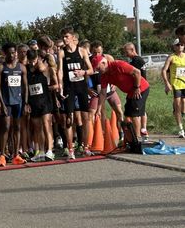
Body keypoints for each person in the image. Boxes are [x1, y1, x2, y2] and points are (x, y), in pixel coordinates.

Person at [92, 55, 150, 143]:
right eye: (96, 69)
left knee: (134, 114)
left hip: (141, 88)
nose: (97, 71)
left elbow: (137, 72)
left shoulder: (118, 65)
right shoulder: (104, 76)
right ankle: (130, 139)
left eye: (98, 68)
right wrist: (99, 109)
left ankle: (138, 139)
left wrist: (137, 87)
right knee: (127, 115)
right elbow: (103, 93)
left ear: (104, 63)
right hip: (131, 91)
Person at [57, 26, 93, 159]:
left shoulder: (82, 51)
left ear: (73, 37)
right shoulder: (61, 52)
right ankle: (71, 148)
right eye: (63, 37)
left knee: (86, 117)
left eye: (66, 36)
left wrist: (83, 72)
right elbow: (60, 70)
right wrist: (60, 86)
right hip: (69, 88)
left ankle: (86, 146)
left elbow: (91, 69)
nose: (65, 39)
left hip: (81, 87)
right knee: (68, 119)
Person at [0, 42, 28, 166]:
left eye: (14, 52)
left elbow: (25, 87)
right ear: (5, 54)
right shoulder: (1, 68)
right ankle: (2, 155)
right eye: (9, 53)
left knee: (17, 127)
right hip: (6, 102)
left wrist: (25, 103)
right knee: (5, 127)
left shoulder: (22, 67)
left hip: (18, 102)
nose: (12, 55)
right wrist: (1, 104)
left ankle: (16, 155)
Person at [123, 42, 149, 140]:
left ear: (132, 50)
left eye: (126, 52)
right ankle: (143, 129)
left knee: (136, 111)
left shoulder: (136, 61)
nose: (126, 54)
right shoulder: (138, 60)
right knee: (142, 110)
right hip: (142, 87)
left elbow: (137, 75)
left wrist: (136, 87)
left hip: (139, 88)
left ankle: (138, 134)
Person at [161, 39, 185, 138]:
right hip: (176, 85)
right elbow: (164, 70)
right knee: (178, 104)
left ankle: (179, 114)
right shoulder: (171, 57)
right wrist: (167, 84)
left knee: (184, 103)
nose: (180, 46)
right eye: (178, 45)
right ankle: (180, 129)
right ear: (174, 46)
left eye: (182, 44)